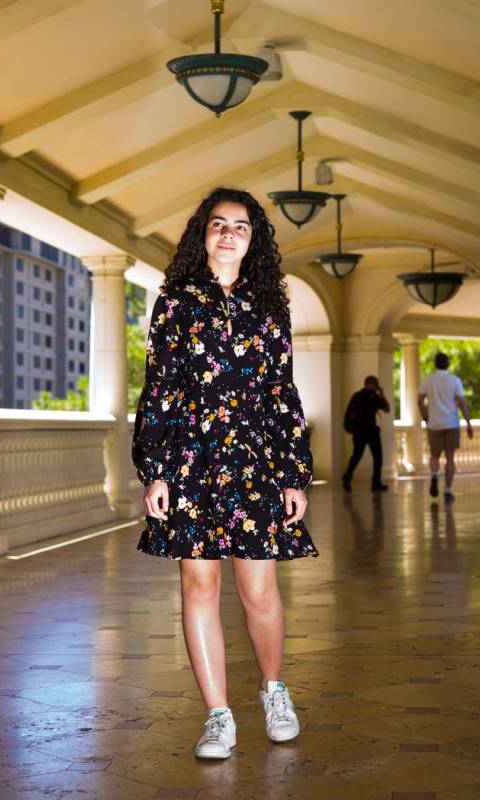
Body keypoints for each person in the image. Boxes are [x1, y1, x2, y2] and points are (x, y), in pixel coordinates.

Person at [132, 187, 318, 761]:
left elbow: (282, 390)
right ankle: (218, 716)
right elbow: (159, 386)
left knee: (258, 588)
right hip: (191, 460)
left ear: (253, 238)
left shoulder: (270, 305)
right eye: (218, 224)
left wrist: (294, 473)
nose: (229, 233)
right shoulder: (175, 302)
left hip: (256, 461)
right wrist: (156, 469)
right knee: (199, 584)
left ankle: (273, 690)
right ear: (203, 235)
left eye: (240, 225)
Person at [417, 352, 473, 502]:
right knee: (450, 458)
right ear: (448, 364)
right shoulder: (455, 381)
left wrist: (425, 418)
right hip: (451, 423)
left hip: (434, 424)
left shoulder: (428, 380)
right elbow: (461, 403)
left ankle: (434, 475)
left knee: (434, 455)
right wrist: (468, 423)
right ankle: (448, 490)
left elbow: (419, 402)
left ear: (435, 364)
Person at [342, 375, 390, 492]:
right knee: (377, 457)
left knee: (356, 455)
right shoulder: (374, 396)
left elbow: (348, 412)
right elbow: (387, 408)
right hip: (371, 430)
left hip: (358, 431)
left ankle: (347, 476)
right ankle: (376, 482)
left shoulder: (356, 396)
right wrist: (381, 393)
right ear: (373, 385)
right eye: (376, 385)